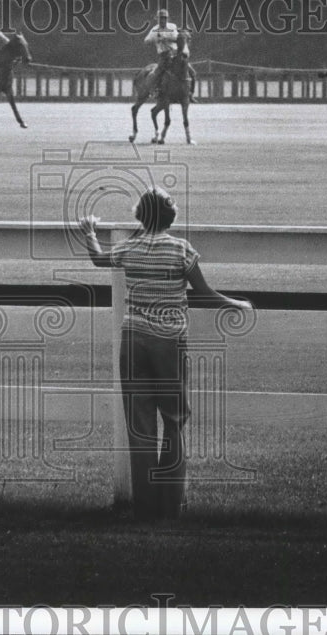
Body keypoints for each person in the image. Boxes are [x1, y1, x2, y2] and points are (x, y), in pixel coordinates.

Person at [78, 187, 252, 522]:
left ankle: (144, 508)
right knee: (173, 421)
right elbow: (203, 292)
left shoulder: (129, 247)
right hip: (169, 342)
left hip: (133, 340)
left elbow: (99, 259)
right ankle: (170, 506)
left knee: (140, 426)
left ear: (140, 215)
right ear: (170, 216)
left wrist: (89, 232)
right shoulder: (180, 250)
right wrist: (236, 304)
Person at [143, 9, 190, 95]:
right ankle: (155, 90)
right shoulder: (154, 30)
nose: (162, 20)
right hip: (164, 55)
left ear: (167, 19)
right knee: (158, 71)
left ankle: (189, 92)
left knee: (190, 71)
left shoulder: (172, 27)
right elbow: (146, 41)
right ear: (157, 19)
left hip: (176, 53)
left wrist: (167, 39)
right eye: (160, 18)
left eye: (164, 18)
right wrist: (156, 39)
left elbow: (178, 39)